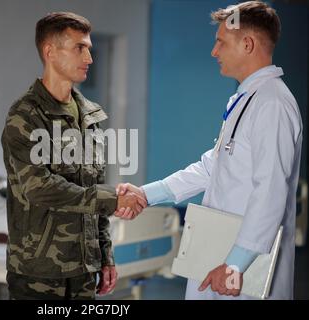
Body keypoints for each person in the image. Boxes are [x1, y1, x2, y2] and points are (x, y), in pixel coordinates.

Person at [116, 1, 302, 300]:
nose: (215, 52)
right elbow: (212, 167)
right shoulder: (247, 100)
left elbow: (270, 192)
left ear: (247, 44)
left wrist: (235, 265)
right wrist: (147, 194)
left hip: (243, 269)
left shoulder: (272, 104)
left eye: (220, 42)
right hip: (222, 255)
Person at [1, 12, 146, 300]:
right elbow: (39, 187)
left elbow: (93, 186)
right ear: (50, 52)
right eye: (80, 48)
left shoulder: (90, 115)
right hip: (38, 272)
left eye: (89, 48)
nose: (89, 58)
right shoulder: (25, 116)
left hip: (83, 268)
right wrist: (113, 199)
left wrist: (105, 255)